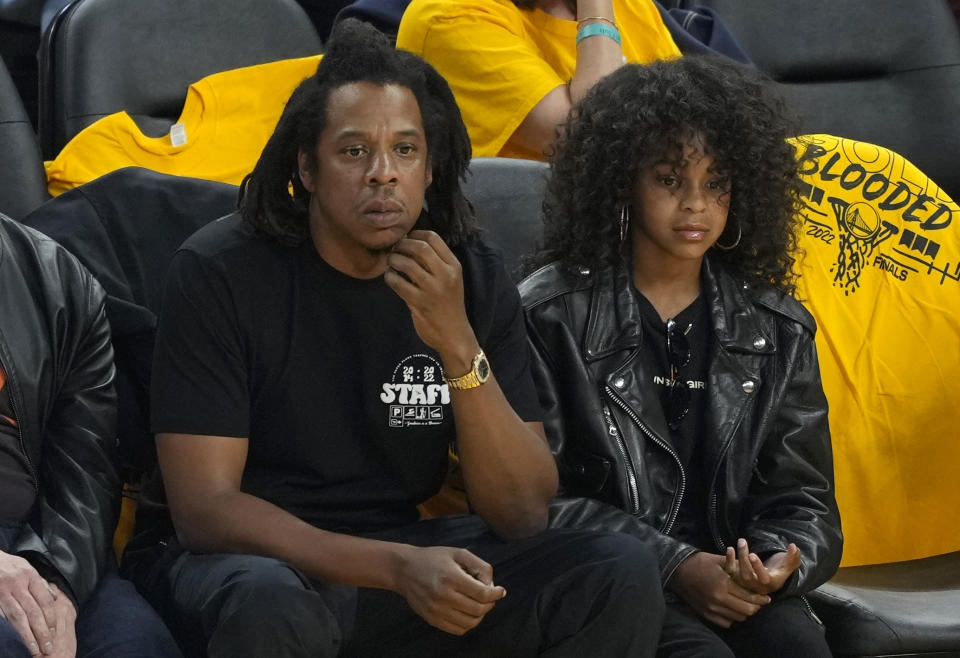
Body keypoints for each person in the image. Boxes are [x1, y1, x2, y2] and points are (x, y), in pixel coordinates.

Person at [130, 19, 664, 657]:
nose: (384, 174)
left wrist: (458, 344)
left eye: (405, 151)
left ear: (431, 167)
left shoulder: (467, 271)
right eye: (354, 152)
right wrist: (391, 568)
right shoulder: (220, 271)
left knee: (611, 572)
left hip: (394, 548)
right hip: (241, 563)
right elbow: (205, 510)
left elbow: (521, 513)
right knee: (271, 604)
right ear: (307, 167)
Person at [520, 56, 843, 657]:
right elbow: (536, 504)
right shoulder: (549, 314)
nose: (696, 203)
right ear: (622, 181)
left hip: (736, 579)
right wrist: (679, 566)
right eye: (671, 179)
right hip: (617, 578)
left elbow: (803, 500)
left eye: (715, 183)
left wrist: (775, 565)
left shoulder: (779, 326)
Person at [0, 212, 181, 658]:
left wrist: (57, 576)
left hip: (42, 539)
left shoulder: (59, 280)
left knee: (136, 646)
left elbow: (87, 464)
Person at [397, 0, 681, 160]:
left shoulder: (630, 5)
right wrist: (596, 11)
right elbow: (596, 136)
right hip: (522, 243)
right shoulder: (447, 16)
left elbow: (691, 120)